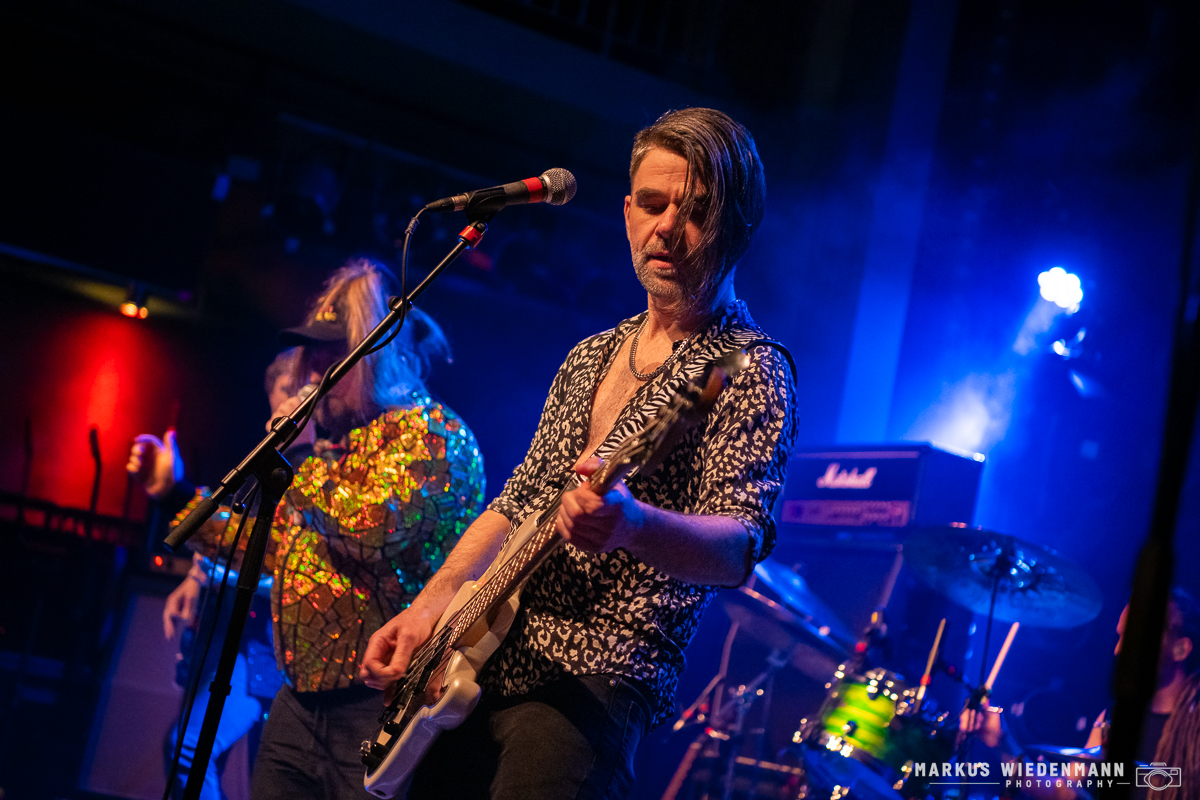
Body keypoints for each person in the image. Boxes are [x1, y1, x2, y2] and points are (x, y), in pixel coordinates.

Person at [361, 107, 798, 800]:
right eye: (652, 204)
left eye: (695, 211)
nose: (667, 227)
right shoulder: (589, 355)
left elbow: (738, 548)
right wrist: (430, 609)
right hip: (479, 666)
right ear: (626, 212)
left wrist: (633, 524)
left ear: (738, 224)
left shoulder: (747, 368)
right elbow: (517, 502)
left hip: (594, 682)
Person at [133, 258, 486, 799]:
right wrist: (176, 494)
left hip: (381, 705)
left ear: (375, 355)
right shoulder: (328, 452)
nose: (314, 370)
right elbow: (272, 549)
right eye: (311, 353)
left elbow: (372, 529)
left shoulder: (435, 435)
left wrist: (298, 459)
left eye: (331, 353)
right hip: (297, 704)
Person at [129, 349, 299, 800]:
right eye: (286, 390)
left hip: (274, 655)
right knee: (207, 758)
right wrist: (197, 576)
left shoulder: (320, 470)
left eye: (305, 388)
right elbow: (237, 538)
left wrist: (177, 494)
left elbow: (279, 561)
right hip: (239, 645)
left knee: (195, 753)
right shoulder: (265, 468)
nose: (294, 401)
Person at [960, 587, 1200, 800]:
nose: (1118, 651)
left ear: (1180, 649)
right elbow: (1062, 791)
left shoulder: (1195, 725)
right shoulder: (1114, 718)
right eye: (1120, 637)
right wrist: (1004, 744)